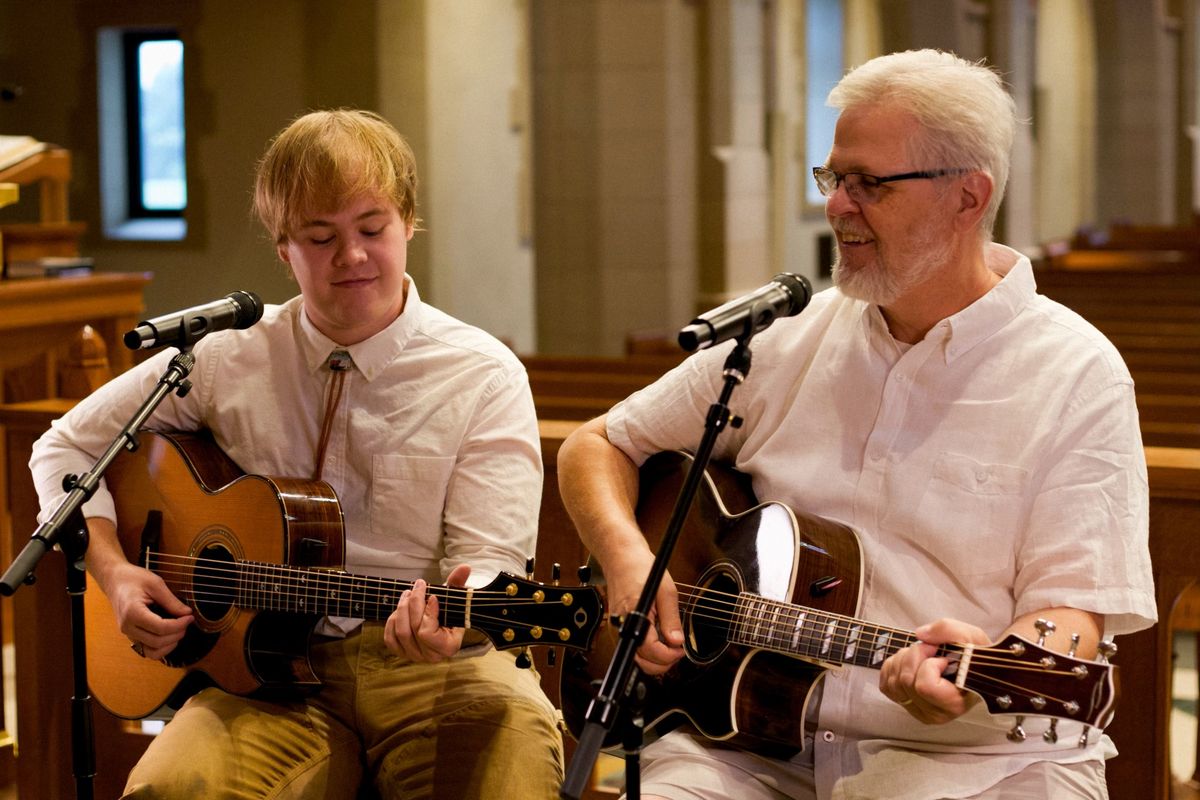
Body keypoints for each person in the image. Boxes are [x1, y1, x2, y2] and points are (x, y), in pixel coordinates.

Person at [557, 49, 1156, 800]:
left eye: (869, 183)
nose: (838, 205)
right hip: (743, 748)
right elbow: (601, 443)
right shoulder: (784, 338)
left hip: (978, 763)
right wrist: (627, 563)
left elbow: (1071, 619)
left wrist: (976, 676)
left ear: (969, 197)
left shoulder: (1075, 374)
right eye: (834, 178)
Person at [29, 109, 563, 798]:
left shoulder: (480, 374)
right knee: (172, 787)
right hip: (262, 673)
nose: (353, 257)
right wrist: (114, 571)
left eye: (372, 228)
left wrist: (456, 621)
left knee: (509, 766)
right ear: (284, 250)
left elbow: (488, 562)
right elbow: (65, 445)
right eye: (320, 237)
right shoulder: (224, 357)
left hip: (436, 669)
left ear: (408, 225)